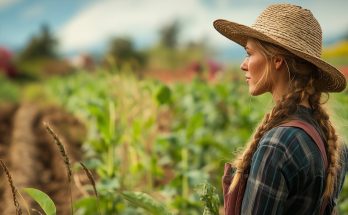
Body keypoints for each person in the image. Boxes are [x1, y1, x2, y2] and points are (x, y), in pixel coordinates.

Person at [213, 3, 347, 215]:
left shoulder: (278, 145)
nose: (243, 64)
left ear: (276, 60)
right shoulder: (334, 142)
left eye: (249, 53)